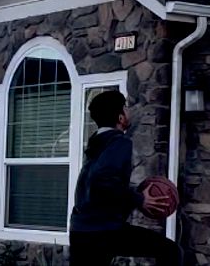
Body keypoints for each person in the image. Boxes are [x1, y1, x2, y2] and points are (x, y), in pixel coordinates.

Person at [69, 90, 183, 266]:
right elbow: (102, 180)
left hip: (80, 230)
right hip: (102, 231)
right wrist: (139, 199)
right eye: (126, 108)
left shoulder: (96, 142)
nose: (129, 111)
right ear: (121, 118)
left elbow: (98, 183)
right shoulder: (119, 142)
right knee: (171, 251)